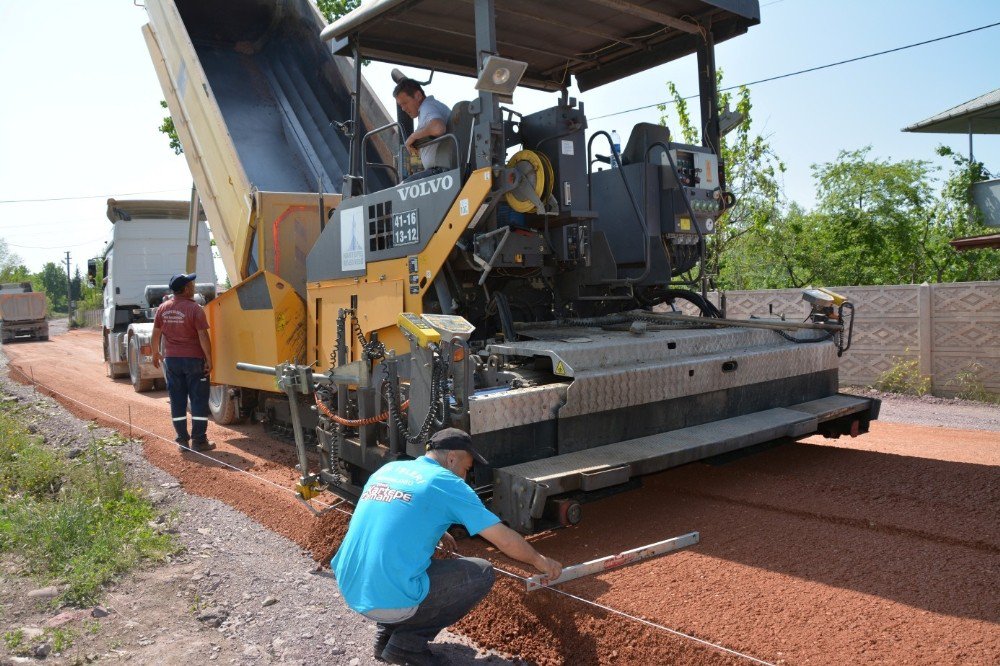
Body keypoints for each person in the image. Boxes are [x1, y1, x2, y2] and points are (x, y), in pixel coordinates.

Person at [332, 428, 562, 666]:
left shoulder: (391, 469)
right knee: (481, 573)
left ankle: (386, 636)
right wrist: (540, 560)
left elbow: (393, 513)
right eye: (466, 468)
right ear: (452, 457)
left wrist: (439, 530)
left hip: (352, 587)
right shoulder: (447, 482)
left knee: (403, 558)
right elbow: (502, 538)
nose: (465, 477)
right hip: (387, 600)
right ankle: (406, 646)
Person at [151, 273, 214, 453]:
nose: (194, 286)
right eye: (191, 284)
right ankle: (199, 441)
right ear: (186, 289)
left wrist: (155, 352)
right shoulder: (195, 309)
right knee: (198, 400)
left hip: (172, 361)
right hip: (194, 360)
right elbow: (203, 336)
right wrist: (209, 360)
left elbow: (156, 332)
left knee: (177, 400)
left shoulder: (162, 308)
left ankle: (182, 442)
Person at [393, 78, 451, 180]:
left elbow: (438, 127)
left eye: (405, 103)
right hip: (443, 169)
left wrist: (413, 136)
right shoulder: (432, 106)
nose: (403, 109)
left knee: (404, 188)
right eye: (401, 105)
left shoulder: (427, 107)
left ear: (418, 96)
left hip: (439, 171)